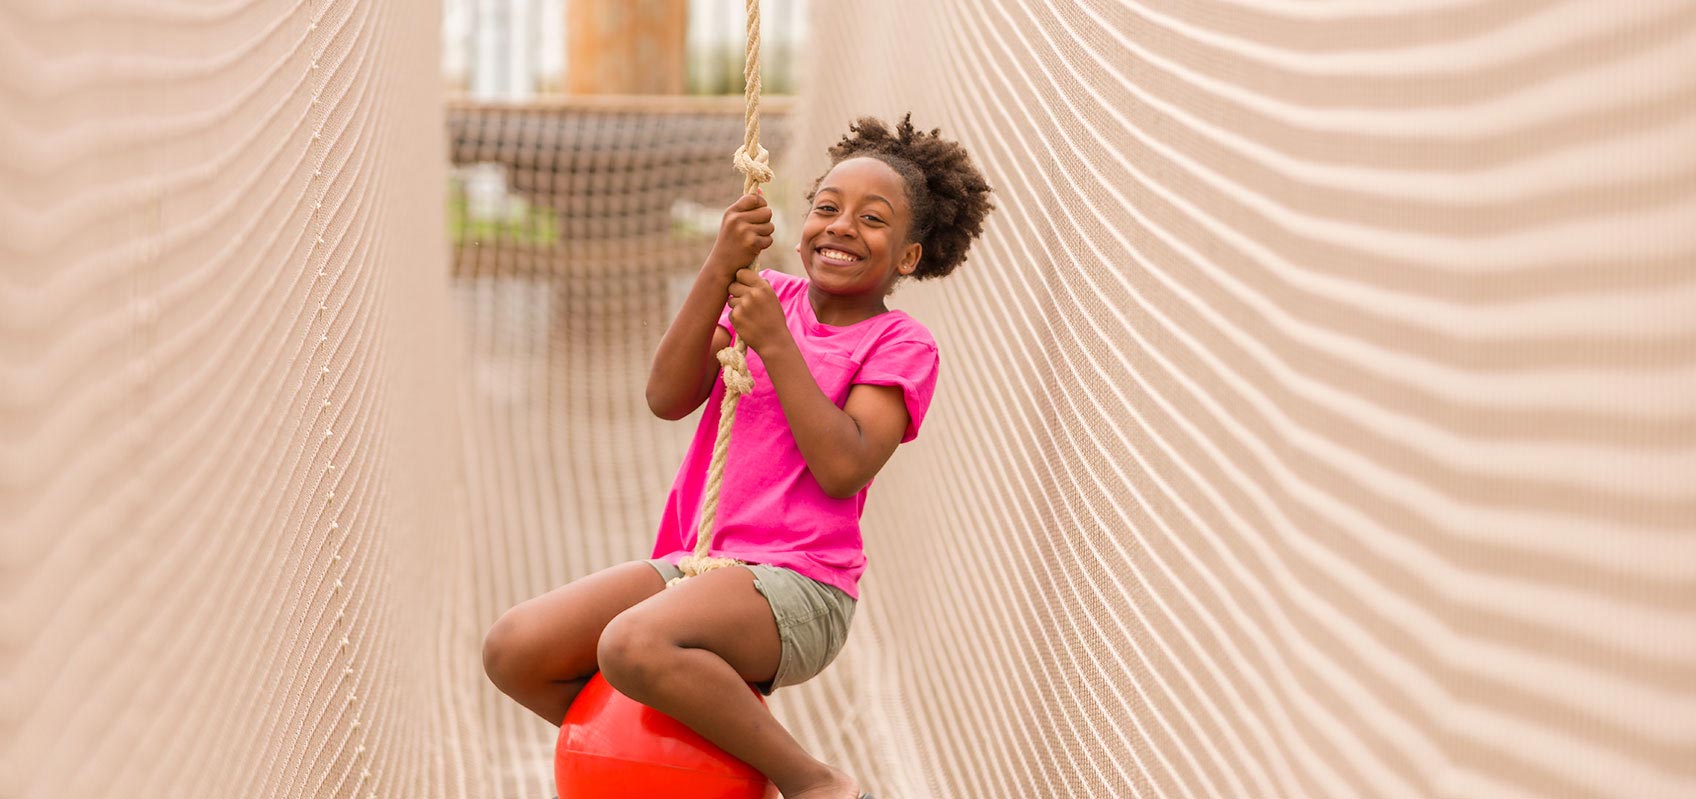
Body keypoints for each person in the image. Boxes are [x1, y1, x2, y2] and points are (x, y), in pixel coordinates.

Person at [483, 115, 993, 799]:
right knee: (515, 649)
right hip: (697, 565)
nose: (841, 226)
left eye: (873, 219)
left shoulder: (900, 344)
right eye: (827, 208)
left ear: (908, 256)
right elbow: (667, 395)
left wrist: (777, 347)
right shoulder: (765, 293)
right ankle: (693, 740)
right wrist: (719, 264)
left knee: (630, 645)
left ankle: (813, 781)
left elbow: (845, 465)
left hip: (802, 586)